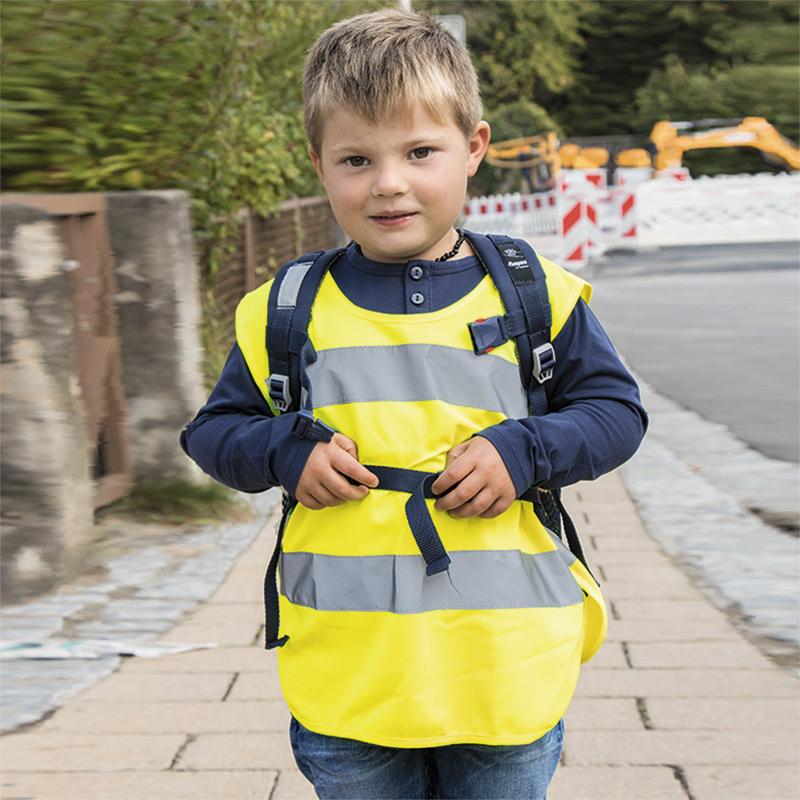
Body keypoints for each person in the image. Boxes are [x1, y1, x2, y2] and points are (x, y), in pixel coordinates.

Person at [180, 9, 647, 799]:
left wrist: (524, 449)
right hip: (351, 683)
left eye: (420, 152)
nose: (389, 182)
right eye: (357, 158)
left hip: (504, 671)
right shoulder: (283, 310)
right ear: (319, 164)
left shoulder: (535, 295)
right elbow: (215, 432)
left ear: (475, 148)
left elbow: (615, 411)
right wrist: (285, 452)